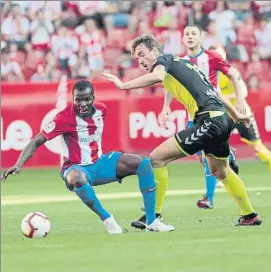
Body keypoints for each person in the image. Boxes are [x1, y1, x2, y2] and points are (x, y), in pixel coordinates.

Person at [103, 34, 262, 228]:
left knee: (156, 158)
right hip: (221, 119)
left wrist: (124, 85)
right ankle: (250, 215)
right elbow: (215, 92)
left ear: (155, 51)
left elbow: (158, 76)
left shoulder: (164, 61)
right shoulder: (184, 65)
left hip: (208, 121)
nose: (141, 60)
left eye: (142, 54)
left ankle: (154, 216)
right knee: (221, 171)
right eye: (137, 58)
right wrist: (235, 114)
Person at [0, 80, 175, 234]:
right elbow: (37, 140)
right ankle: (107, 220)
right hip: (76, 168)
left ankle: (152, 221)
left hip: (99, 163)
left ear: (93, 97)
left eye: (86, 99)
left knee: (144, 164)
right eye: (78, 99)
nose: (82, 103)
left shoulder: (101, 110)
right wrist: (18, 164)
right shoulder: (63, 118)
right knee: (76, 177)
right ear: (73, 98)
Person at [182, 24, 271, 209]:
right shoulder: (207, 72)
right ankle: (226, 157)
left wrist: (232, 103)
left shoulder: (228, 71)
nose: (217, 55)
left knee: (259, 149)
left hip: (240, 112)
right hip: (222, 114)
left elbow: (242, 91)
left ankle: (228, 159)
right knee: (205, 152)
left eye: (220, 52)